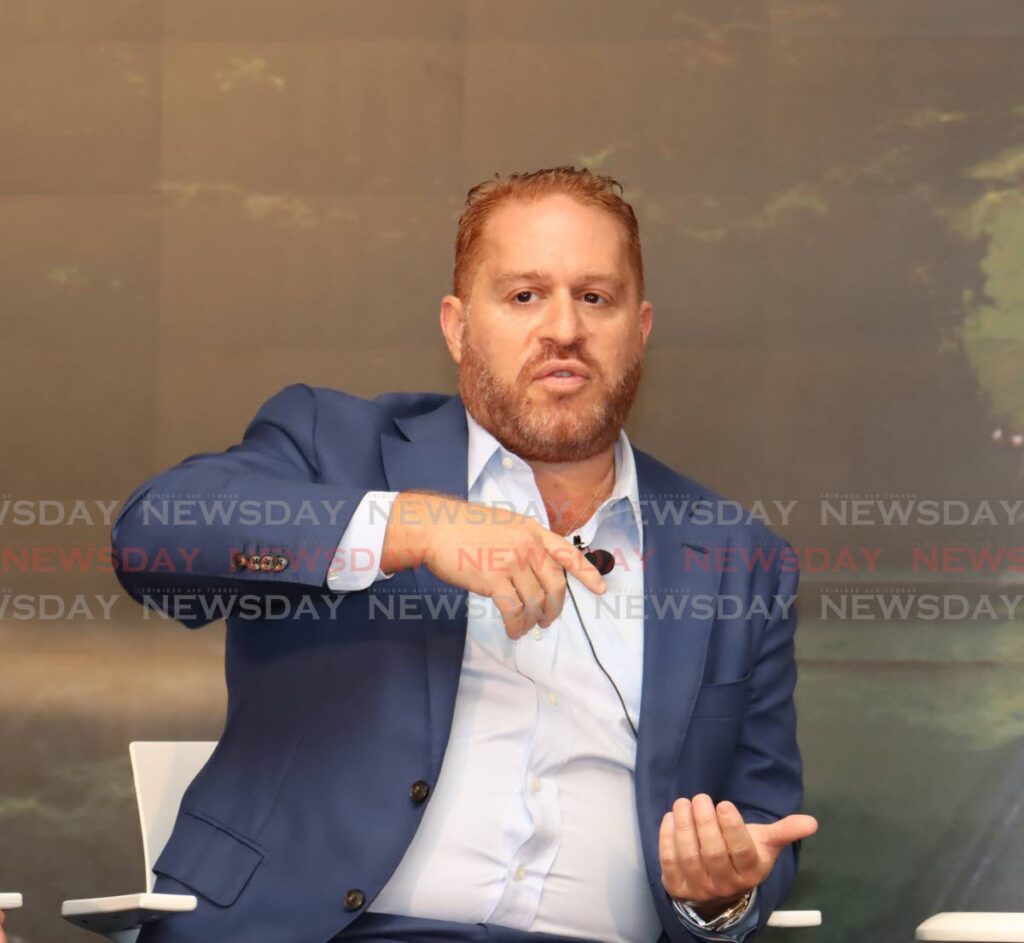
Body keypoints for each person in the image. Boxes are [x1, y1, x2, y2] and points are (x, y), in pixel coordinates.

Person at [113, 166, 816, 943]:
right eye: (523, 295)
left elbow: (762, 821)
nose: (564, 329)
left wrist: (717, 894)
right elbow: (156, 533)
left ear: (639, 328)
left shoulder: (737, 559)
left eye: (595, 297)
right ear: (456, 325)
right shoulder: (334, 446)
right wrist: (415, 527)